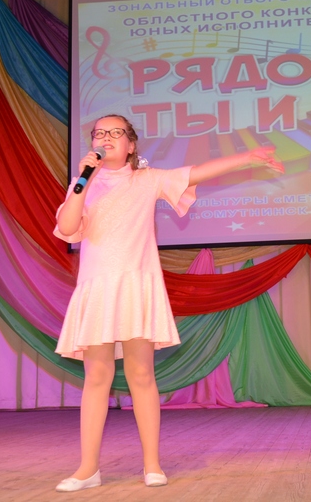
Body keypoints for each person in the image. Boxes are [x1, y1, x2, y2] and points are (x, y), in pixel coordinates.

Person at [53, 114, 284, 491]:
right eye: (99, 133)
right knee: (96, 378)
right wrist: (82, 181)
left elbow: (196, 172)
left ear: (131, 144)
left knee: (142, 376)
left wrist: (247, 157)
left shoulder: (148, 180)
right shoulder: (84, 183)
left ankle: (152, 464)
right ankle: (88, 469)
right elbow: (66, 227)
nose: (106, 137)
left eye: (115, 132)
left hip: (136, 288)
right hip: (98, 290)